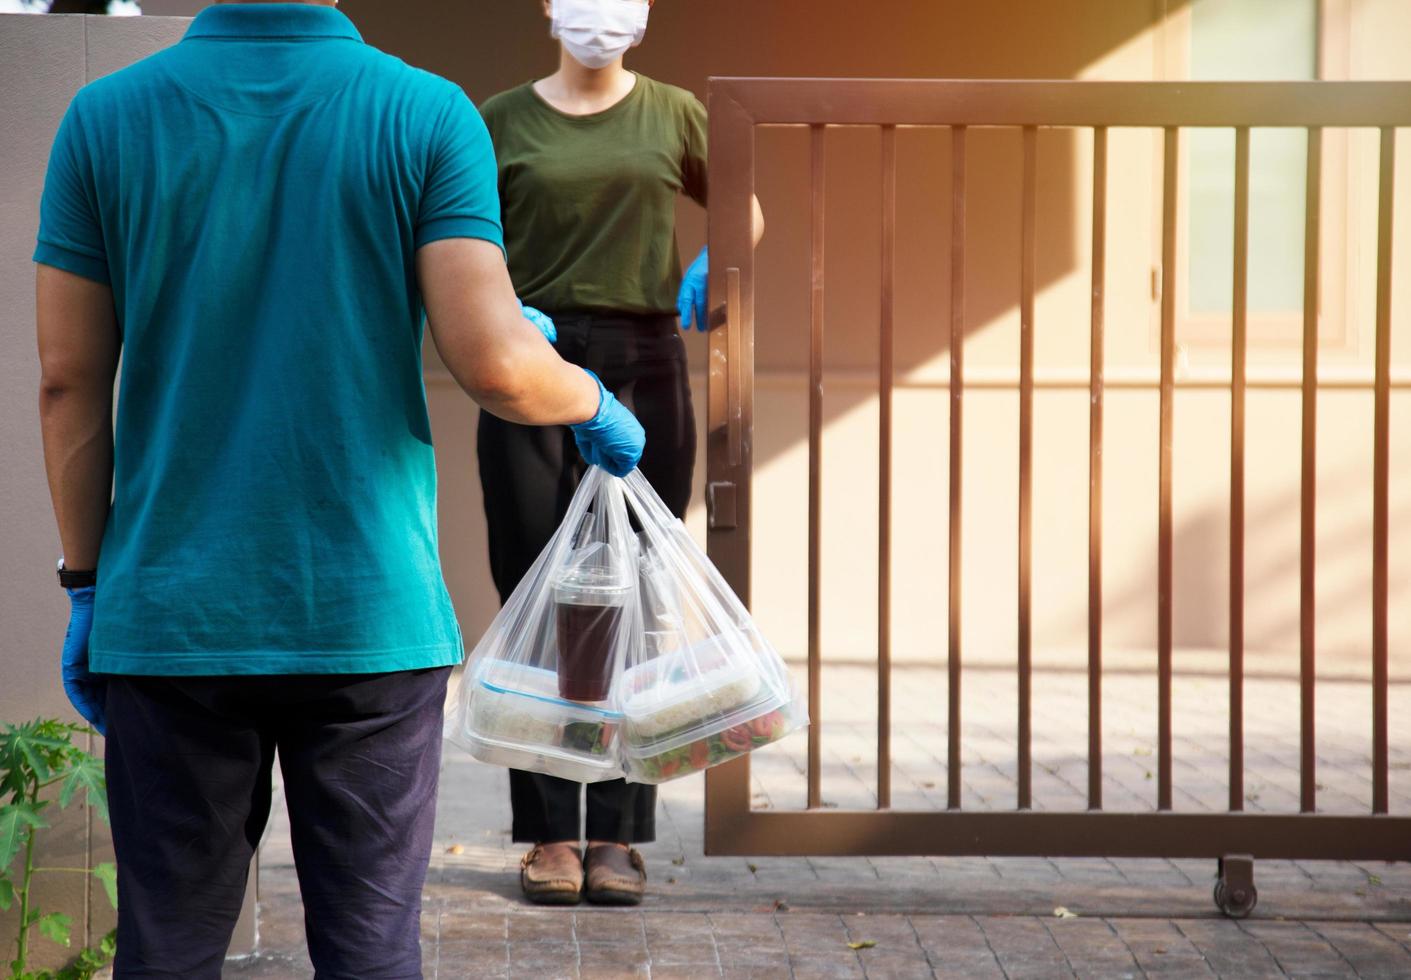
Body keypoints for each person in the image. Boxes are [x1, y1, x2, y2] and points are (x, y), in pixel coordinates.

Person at [34, 1, 643, 975]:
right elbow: (494, 362)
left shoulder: (104, 117)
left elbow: (69, 381)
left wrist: (85, 583)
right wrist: (592, 397)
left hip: (172, 620)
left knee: (169, 949)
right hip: (367, 619)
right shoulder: (427, 113)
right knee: (369, 954)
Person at [475, 0, 763, 907]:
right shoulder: (499, 120)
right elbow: (463, 240)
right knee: (536, 587)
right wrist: (502, 318)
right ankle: (552, 837)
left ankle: (619, 838)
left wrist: (712, 259)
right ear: (549, 10)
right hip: (529, 357)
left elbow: (743, 211)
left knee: (634, 593)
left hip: (642, 359)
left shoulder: (674, 113)